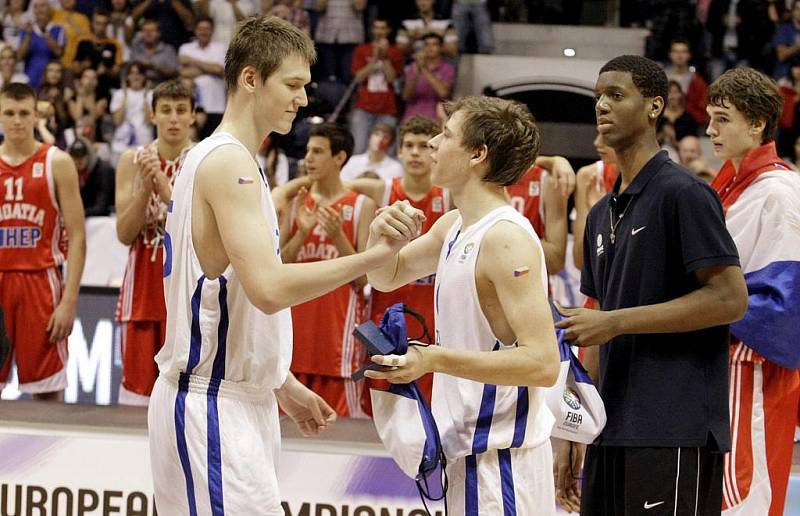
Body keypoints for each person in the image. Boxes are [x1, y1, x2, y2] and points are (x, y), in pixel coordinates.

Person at [147, 16, 423, 514]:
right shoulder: (229, 162)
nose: (302, 99)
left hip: (231, 398)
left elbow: (225, 290)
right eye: (292, 84)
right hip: (210, 402)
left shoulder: (229, 159)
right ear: (251, 79)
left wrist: (280, 382)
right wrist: (375, 256)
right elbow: (268, 288)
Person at [553, 55, 749, 516]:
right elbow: (595, 328)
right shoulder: (599, 213)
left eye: (616, 95)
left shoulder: (685, 193)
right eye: (599, 96)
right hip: (608, 427)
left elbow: (730, 298)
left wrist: (615, 322)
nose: (602, 104)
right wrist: (573, 427)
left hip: (672, 427)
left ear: (655, 106)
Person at [364, 95, 561, 513]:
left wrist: (434, 359)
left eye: (445, 135)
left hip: (504, 463)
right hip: (469, 456)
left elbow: (543, 364)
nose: (433, 144)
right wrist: (378, 237)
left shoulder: (506, 238)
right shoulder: (454, 224)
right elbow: (386, 276)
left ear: (477, 153)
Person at [706, 67, 800, 516]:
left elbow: (784, 304)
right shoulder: (728, 184)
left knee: (747, 498)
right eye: (709, 117)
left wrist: (697, 305)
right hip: (720, 366)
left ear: (757, 123)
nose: (710, 129)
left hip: (753, 368)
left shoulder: (780, 191)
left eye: (722, 118)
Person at [279, 122, 376, 418]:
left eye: (318, 152)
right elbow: (278, 267)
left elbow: (363, 278)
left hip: (337, 337)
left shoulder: (361, 205)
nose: (308, 158)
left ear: (339, 158)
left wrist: (338, 238)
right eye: (308, 151)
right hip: (295, 332)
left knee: (340, 429)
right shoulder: (297, 202)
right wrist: (301, 234)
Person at [0, 82, 85, 400]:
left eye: (24, 113)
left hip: (40, 283)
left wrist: (69, 300)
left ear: (36, 115)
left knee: (48, 391)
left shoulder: (57, 162)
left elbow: (77, 236)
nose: (17, 121)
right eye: (9, 113)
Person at [114, 79, 195, 406]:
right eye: (166, 111)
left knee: (183, 402)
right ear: (153, 116)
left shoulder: (205, 160)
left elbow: (201, 230)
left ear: (193, 116)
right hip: (142, 294)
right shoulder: (132, 160)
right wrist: (145, 188)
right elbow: (124, 233)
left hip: (185, 295)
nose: (173, 118)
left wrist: (165, 190)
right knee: (136, 400)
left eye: (180, 110)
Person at [349, 17, 404, 155]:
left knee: (384, 151)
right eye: (377, 27)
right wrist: (374, 58)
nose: (379, 31)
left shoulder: (395, 52)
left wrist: (384, 57)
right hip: (364, 107)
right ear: (372, 30)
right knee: (359, 148)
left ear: (389, 31)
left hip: (387, 108)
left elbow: (392, 78)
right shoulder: (362, 49)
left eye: (383, 28)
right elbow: (358, 77)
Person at [573, 132, 617, 271]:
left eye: (607, 134)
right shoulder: (590, 176)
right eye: (599, 133)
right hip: (598, 290)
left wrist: (605, 214)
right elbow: (580, 261)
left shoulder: (656, 180)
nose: (597, 142)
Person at [178, 16, 226, 139]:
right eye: (200, 28)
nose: (203, 32)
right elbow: (184, 73)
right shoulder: (185, 48)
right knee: (192, 143)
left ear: (212, 30)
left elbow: (219, 70)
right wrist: (209, 68)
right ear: (195, 30)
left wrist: (192, 60)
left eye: (207, 28)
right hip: (194, 107)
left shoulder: (220, 47)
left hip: (216, 105)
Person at [401, 32, 455, 124]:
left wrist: (424, 69)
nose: (430, 48)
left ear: (441, 48)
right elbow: (406, 96)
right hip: (412, 117)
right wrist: (417, 72)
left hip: (436, 119)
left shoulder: (447, 68)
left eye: (434, 44)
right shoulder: (413, 67)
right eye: (427, 45)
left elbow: (443, 93)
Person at [17, 0, 65, 89]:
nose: (40, 10)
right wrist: (28, 35)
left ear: (50, 9)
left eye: (43, 6)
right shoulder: (26, 30)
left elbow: (59, 53)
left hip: (51, 79)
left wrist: (46, 34)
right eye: (36, 7)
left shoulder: (58, 29)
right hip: (30, 75)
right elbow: (19, 56)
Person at [663, 38, 708, 125]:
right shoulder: (662, 77)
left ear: (689, 55)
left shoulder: (696, 80)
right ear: (670, 54)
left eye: (683, 52)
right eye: (676, 51)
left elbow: (703, 107)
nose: (679, 55)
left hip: (689, 124)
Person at [69, 136, 115, 216]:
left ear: (88, 155)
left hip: (106, 219)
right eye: (75, 156)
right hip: (83, 216)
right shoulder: (69, 174)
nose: (78, 160)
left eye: (81, 155)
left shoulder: (104, 171)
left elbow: (102, 206)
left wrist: (79, 213)